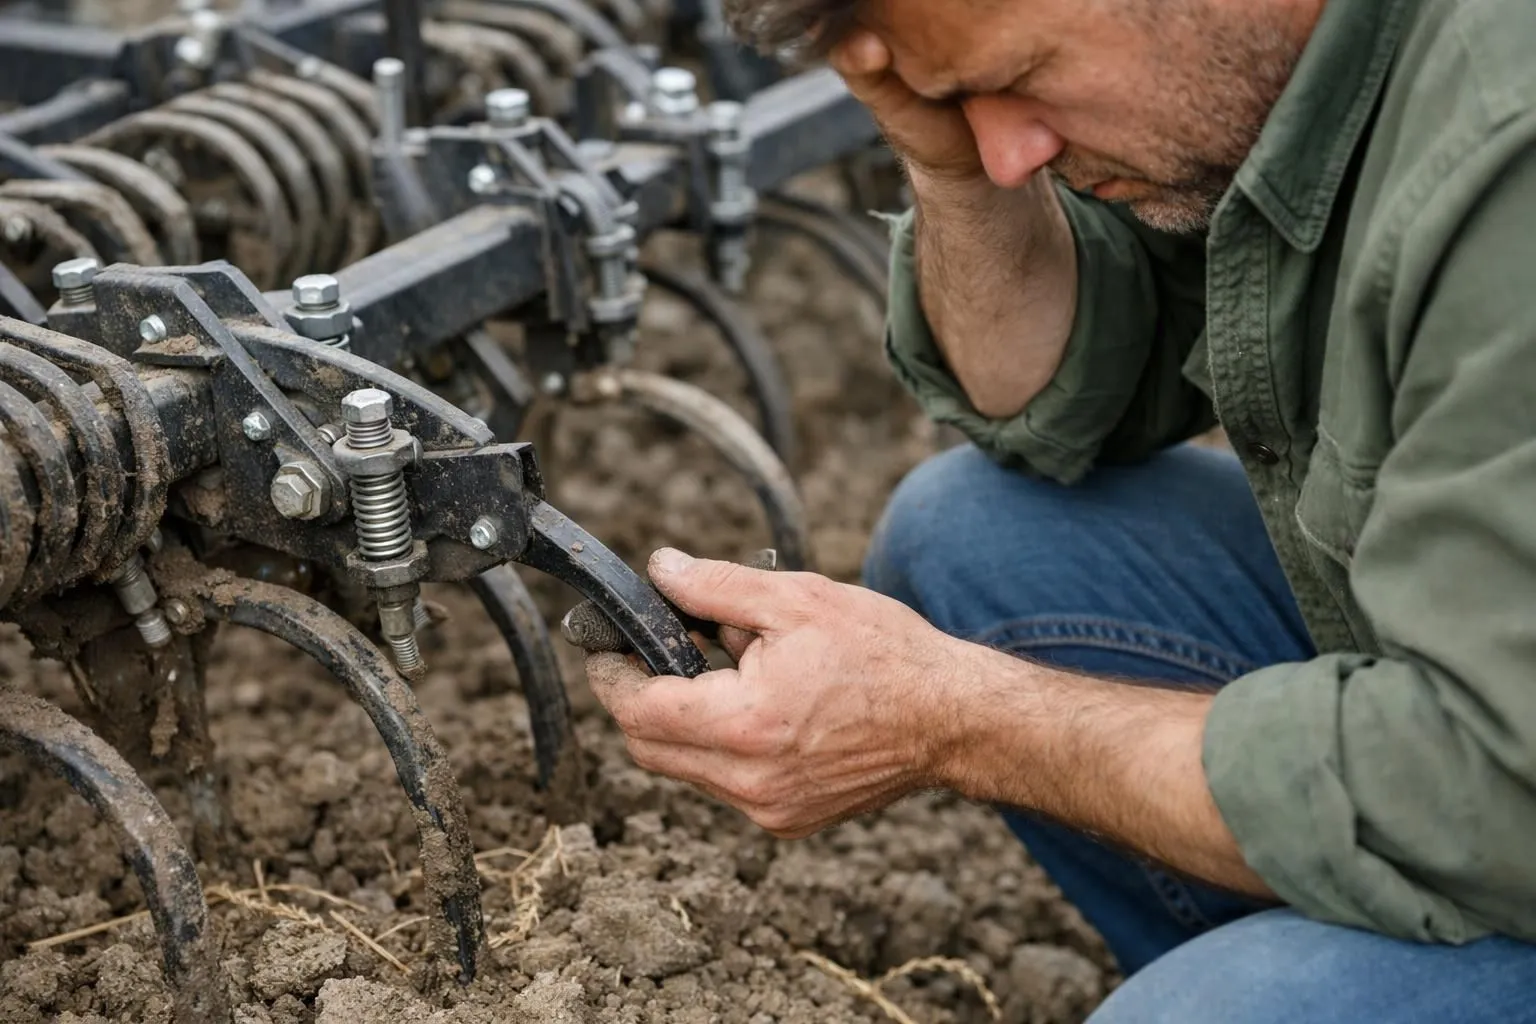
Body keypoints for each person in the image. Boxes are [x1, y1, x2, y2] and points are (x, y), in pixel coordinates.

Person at [580, 0, 1536, 1018]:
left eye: (1023, 76)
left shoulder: (1501, 146)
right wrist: (948, 170)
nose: (1007, 154)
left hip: (1502, 780)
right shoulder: (1265, 74)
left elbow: (1490, 783)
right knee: (976, 540)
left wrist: (951, 717)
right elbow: (1055, 399)